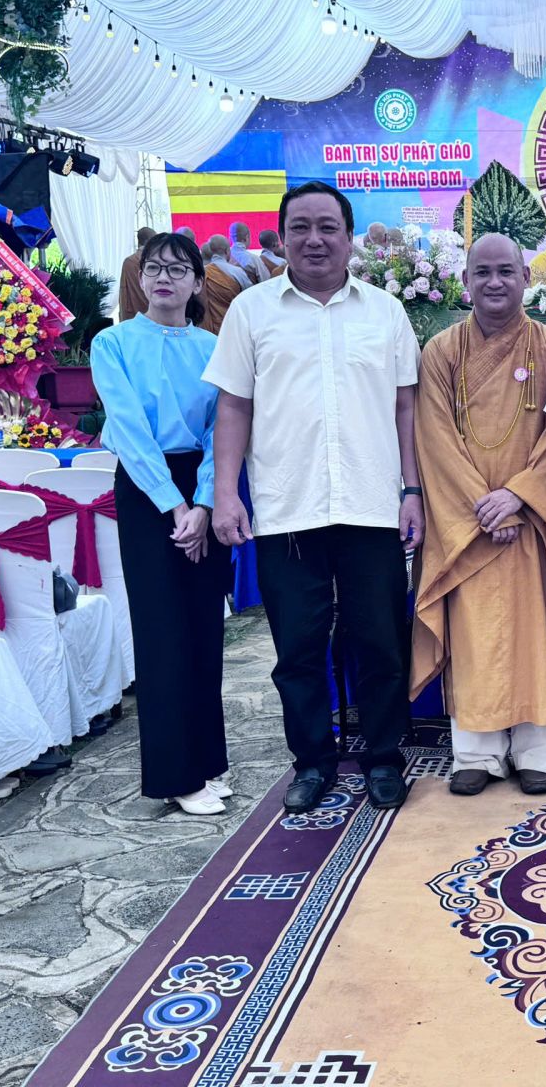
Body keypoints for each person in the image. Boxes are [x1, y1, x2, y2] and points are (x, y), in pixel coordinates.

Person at [204, 181, 422, 815]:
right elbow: (234, 407)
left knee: (381, 642)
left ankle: (384, 757)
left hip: (371, 505)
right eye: (300, 227)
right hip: (286, 509)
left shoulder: (385, 312)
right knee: (297, 650)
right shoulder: (251, 312)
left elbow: (406, 409)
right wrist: (225, 493)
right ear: (282, 237)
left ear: (349, 238)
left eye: (328, 227)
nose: (315, 239)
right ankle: (313, 762)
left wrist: (413, 489)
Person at [411, 234, 546, 795]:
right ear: (465, 280)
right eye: (482, 272)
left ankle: (541, 751)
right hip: (467, 528)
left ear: (526, 278)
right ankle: (477, 752)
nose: (494, 282)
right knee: (473, 636)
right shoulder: (440, 351)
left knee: (536, 632)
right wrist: (485, 508)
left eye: (506, 271)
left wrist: (518, 496)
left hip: (533, 523)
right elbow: (434, 439)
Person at [91, 233, 231, 817]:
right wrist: (176, 506)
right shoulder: (113, 343)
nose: (164, 278)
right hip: (147, 488)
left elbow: (223, 430)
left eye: (177, 269)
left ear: (198, 282)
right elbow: (128, 430)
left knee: (204, 626)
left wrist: (205, 502)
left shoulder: (213, 349)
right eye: (154, 268)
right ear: (141, 278)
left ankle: (209, 759)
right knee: (161, 630)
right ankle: (176, 774)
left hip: (204, 488)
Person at [200, 235, 248, 334]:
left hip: (208, 331)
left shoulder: (201, 274)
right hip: (234, 327)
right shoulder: (237, 272)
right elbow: (249, 297)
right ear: (227, 251)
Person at [117, 227, 156, 321]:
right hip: (156, 313)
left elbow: (124, 291)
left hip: (133, 314)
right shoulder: (156, 260)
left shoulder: (129, 262)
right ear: (149, 240)